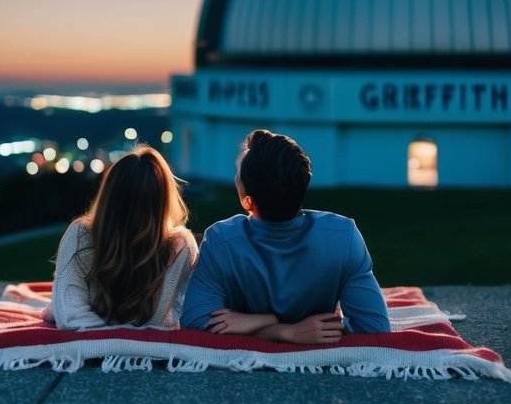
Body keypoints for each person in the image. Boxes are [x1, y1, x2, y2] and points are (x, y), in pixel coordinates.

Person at [180, 129, 391, 341]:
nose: (235, 177)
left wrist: (263, 322)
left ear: (247, 201)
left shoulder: (221, 240)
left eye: (237, 173)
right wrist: (285, 329)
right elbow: (374, 328)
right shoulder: (342, 236)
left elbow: (196, 322)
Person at [47, 145, 198, 329]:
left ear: (108, 195)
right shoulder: (81, 235)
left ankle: (55, 304)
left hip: (98, 327)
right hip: (107, 322)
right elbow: (71, 316)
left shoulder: (180, 245)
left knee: (59, 305)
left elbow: (155, 321)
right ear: (164, 200)